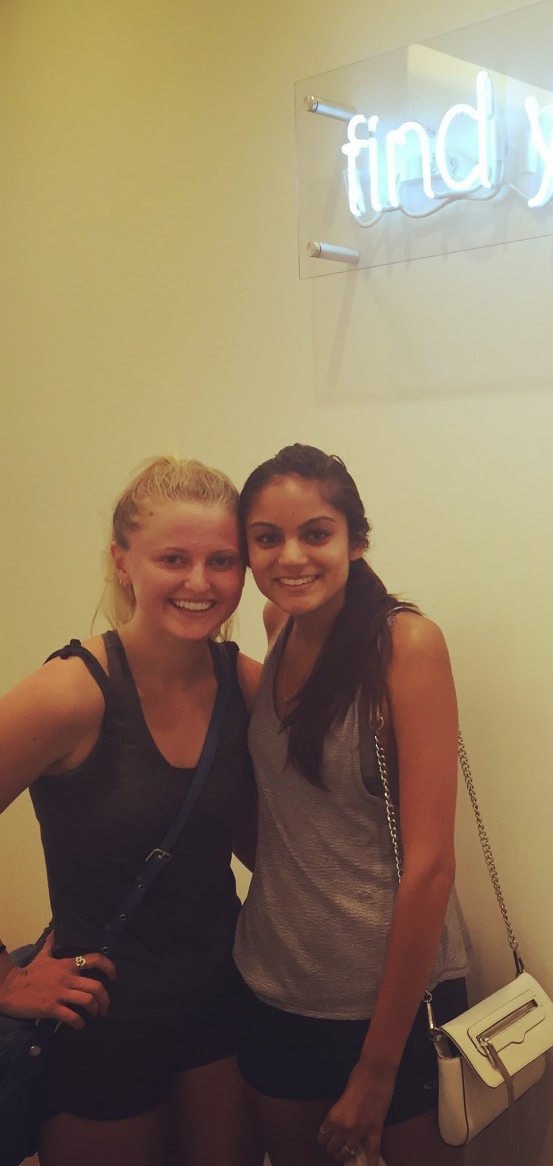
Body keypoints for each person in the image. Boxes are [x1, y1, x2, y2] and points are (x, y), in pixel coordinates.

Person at [0, 456, 262, 1166]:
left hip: (220, 1006)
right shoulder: (71, 692)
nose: (199, 582)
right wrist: (5, 979)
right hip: (103, 1018)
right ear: (123, 562)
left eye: (222, 561)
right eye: (173, 559)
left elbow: (271, 840)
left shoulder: (244, 685)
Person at [233, 444, 471, 1166]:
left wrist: (377, 1068)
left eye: (316, 533)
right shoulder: (278, 627)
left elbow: (430, 868)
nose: (290, 557)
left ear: (356, 540)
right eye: (267, 537)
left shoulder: (406, 644)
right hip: (273, 985)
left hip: (392, 1004)